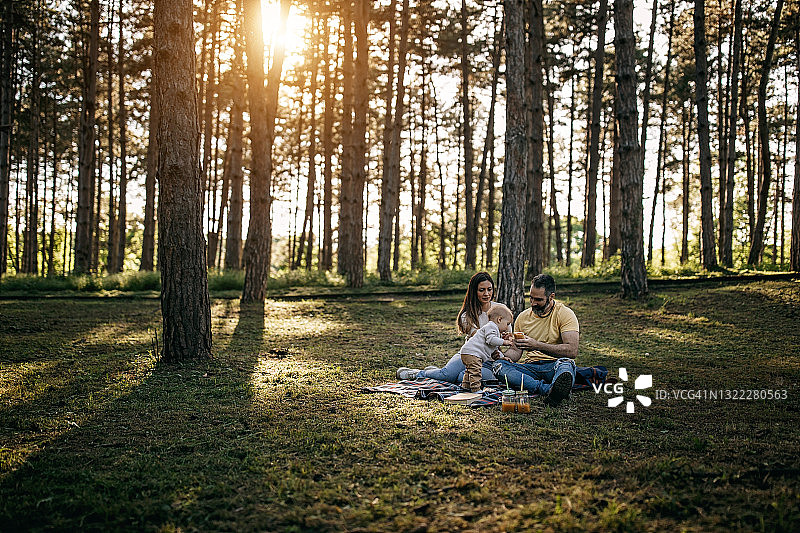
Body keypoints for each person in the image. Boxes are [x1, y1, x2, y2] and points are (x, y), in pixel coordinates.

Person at [396, 271, 499, 384]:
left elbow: (508, 336)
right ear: (474, 291)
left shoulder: (500, 310)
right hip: (469, 354)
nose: (486, 293)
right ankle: (418, 373)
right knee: (447, 376)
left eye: (489, 289)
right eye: (481, 290)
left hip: (489, 360)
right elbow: (480, 337)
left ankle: (436, 372)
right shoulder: (467, 315)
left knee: (461, 377)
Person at [492, 273, 579, 407]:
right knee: (498, 366)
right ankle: (549, 390)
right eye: (531, 298)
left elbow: (572, 350)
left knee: (566, 365)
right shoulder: (523, 317)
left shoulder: (565, 314)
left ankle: (556, 385)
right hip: (530, 368)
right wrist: (502, 356)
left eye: (538, 299)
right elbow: (516, 351)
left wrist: (537, 345)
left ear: (551, 297)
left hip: (554, 365)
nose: (533, 303)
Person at [459, 303, 513, 392]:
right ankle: (476, 389)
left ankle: (465, 386)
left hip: (468, 352)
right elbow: (491, 340)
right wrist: (504, 342)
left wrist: (502, 357)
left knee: (469, 371)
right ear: (499, 319)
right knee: (475, 372)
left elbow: (494, 350)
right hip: (472, 353)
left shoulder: (495, 331)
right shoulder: (491, 326)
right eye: (507, 324)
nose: (507, 328)